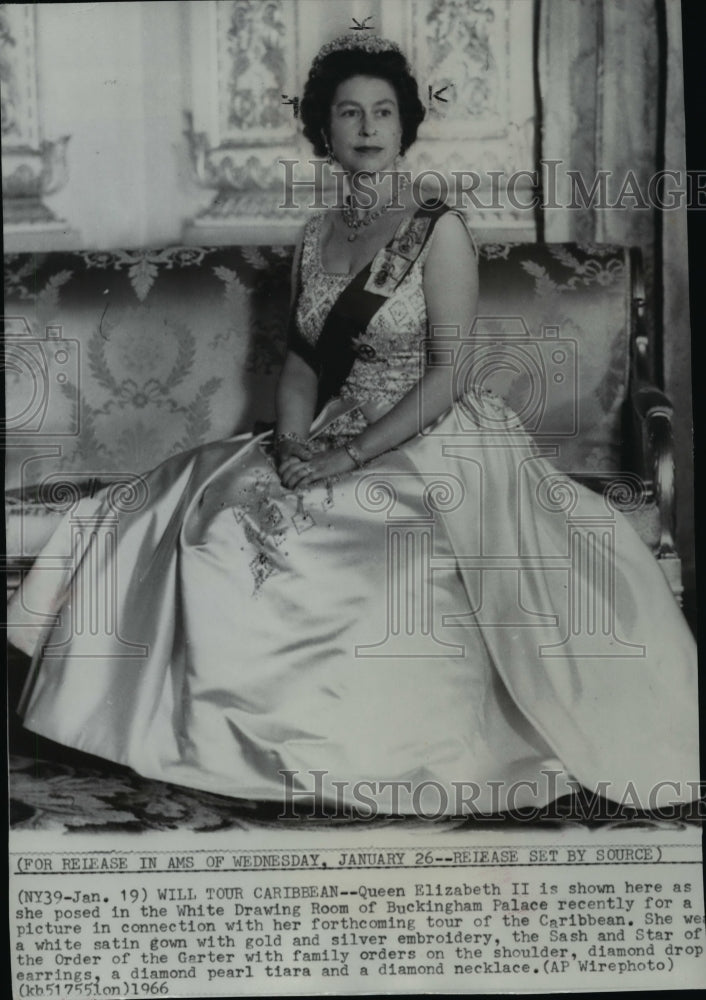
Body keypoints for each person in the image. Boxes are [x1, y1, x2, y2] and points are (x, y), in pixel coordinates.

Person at [8, 35, 698, 818]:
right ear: (323, 132)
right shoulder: (317, 237)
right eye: (348, 114)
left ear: (404, 128)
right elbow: (303, 362)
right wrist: (296, 443)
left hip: (435, 438)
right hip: (335, 424)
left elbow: (448, 376)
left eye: (382, 113)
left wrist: (346, 459)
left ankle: (342, 754)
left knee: (355, 552)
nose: (367, 129)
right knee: (206, 507)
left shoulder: (438, 232)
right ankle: (200, 737)